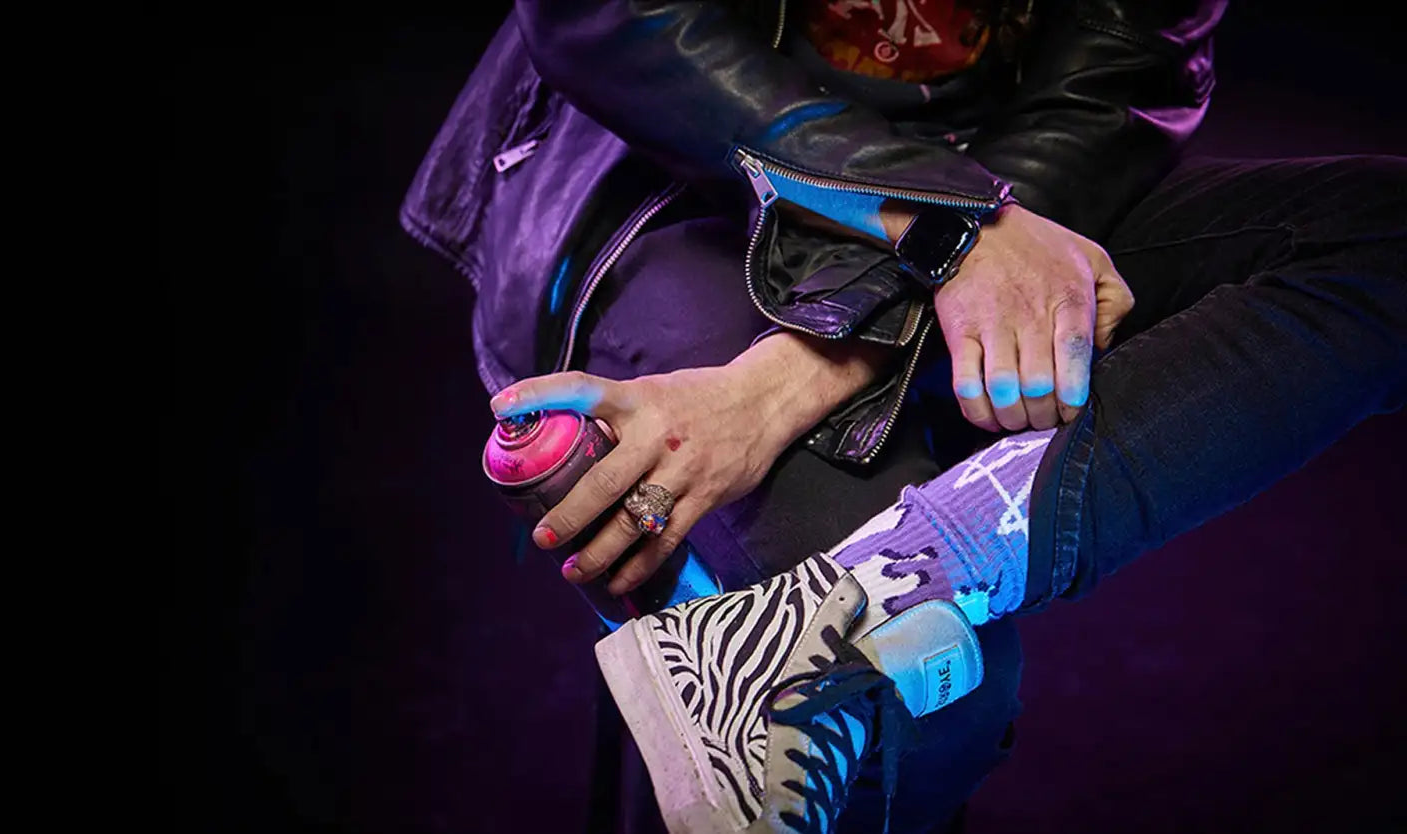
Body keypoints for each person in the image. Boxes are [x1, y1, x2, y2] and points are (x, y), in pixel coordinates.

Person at [400, 0, 1407, 831]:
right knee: (927, 698)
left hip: (1008, 182)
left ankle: (900, 578)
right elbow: (611, 18)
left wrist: (784, 382)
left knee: (1381, 238)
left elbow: (1112, 83)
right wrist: (943, 230)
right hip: (677, 173)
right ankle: (858, 606)